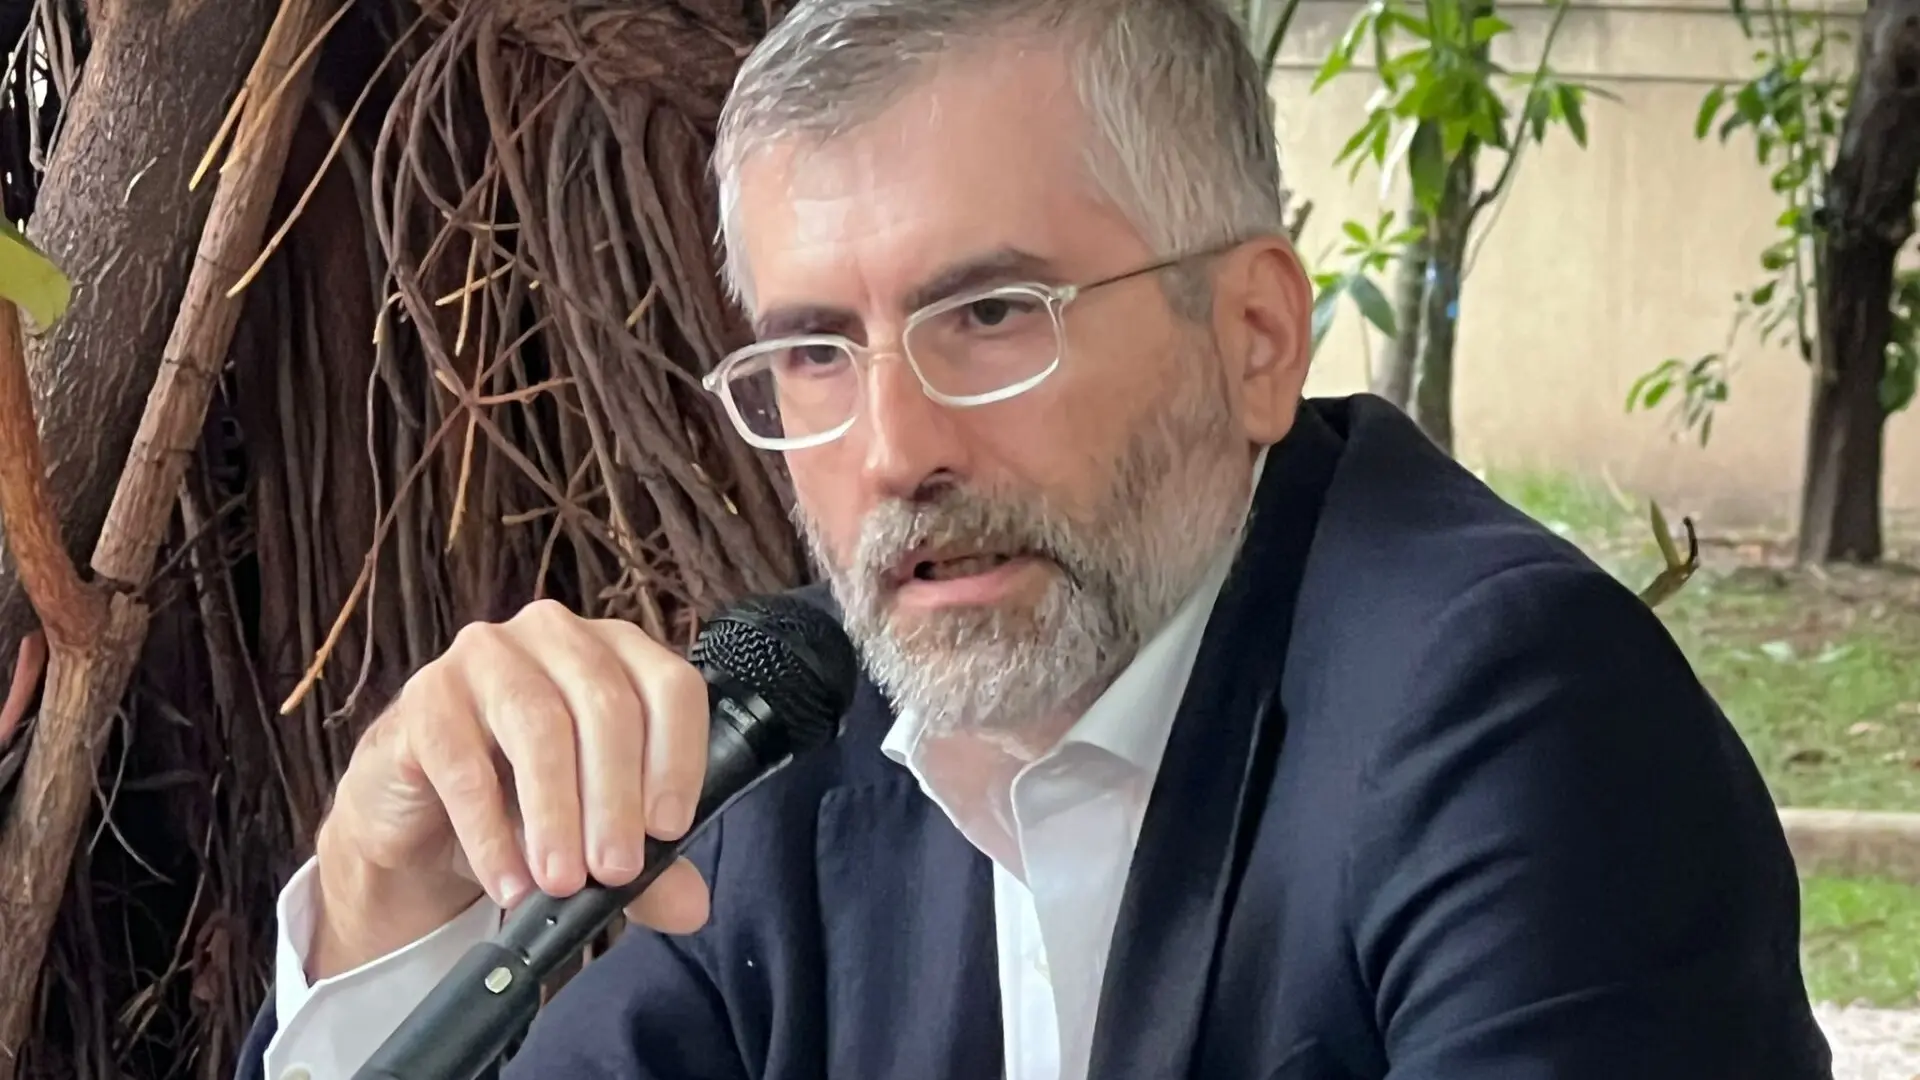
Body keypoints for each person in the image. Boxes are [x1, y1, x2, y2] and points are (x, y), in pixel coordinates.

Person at [237, 0, 1835, 1077]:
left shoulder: (1508, 711)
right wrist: (384, 921)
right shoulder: (793, 747)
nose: (894, 451)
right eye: (814, 351)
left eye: (993, 315)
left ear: (1256, 338)